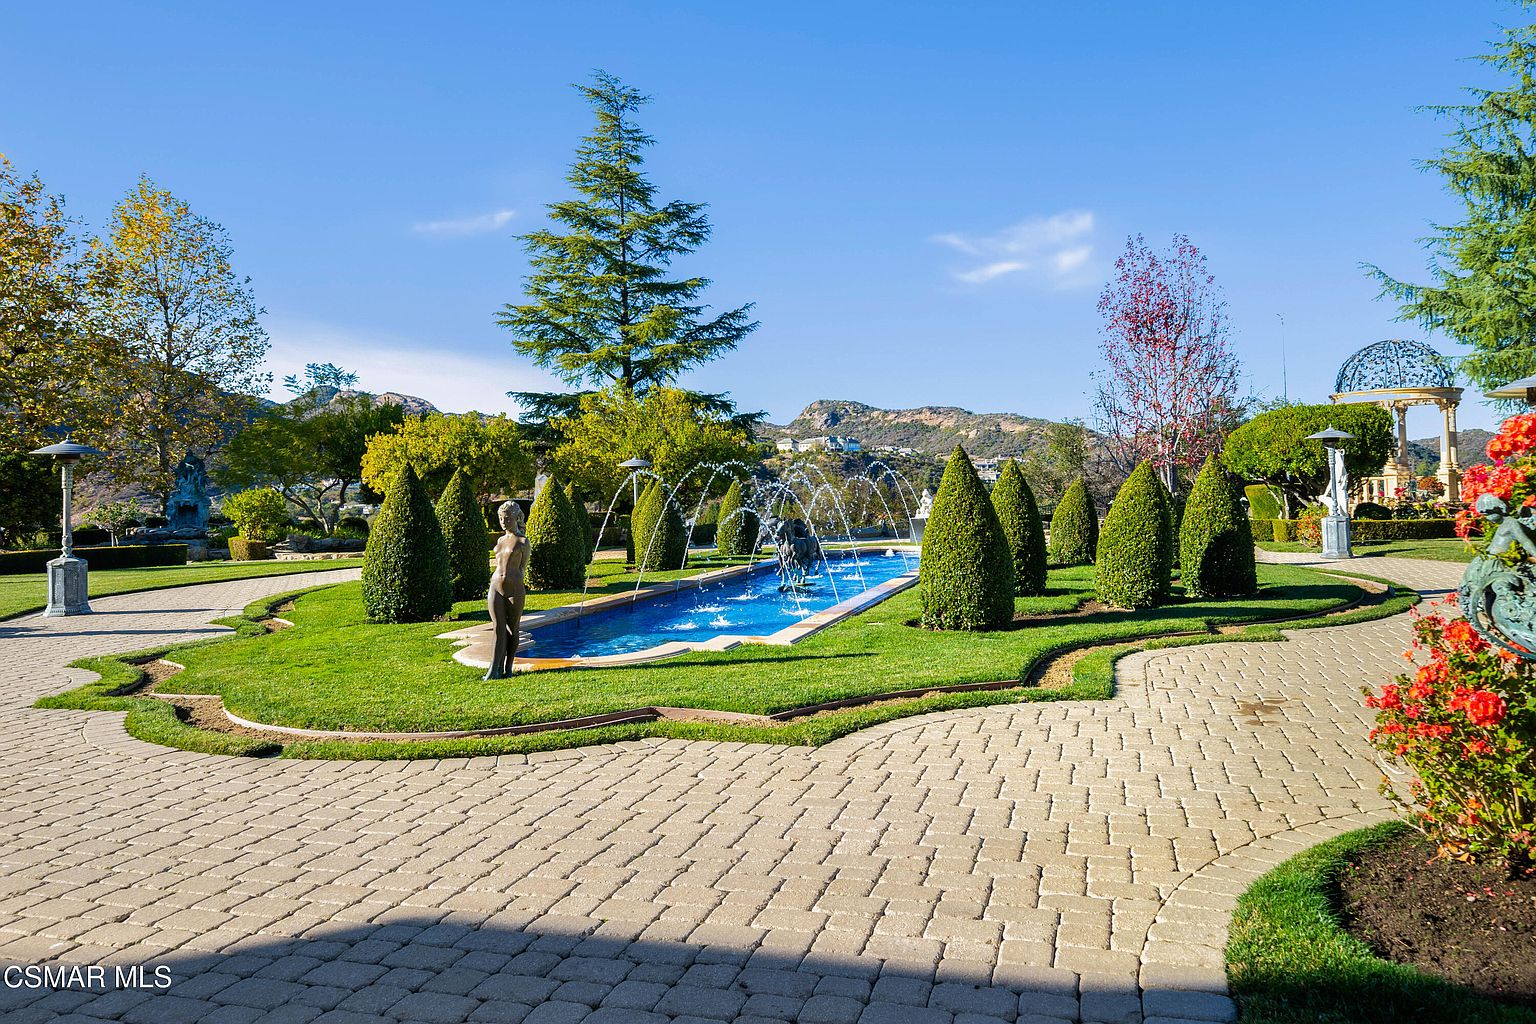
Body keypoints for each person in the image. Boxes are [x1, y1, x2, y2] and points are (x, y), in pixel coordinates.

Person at [485, 500, 529, 680]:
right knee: (498, 627)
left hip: (514, 588)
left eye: (507, 518)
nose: (503, 522)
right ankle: (493, 669)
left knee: (513, 628)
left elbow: (522, 568)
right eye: (501, 518)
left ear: (516, 518)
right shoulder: (500, 540)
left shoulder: (523, 541)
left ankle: (508, 667)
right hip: (495, 585)